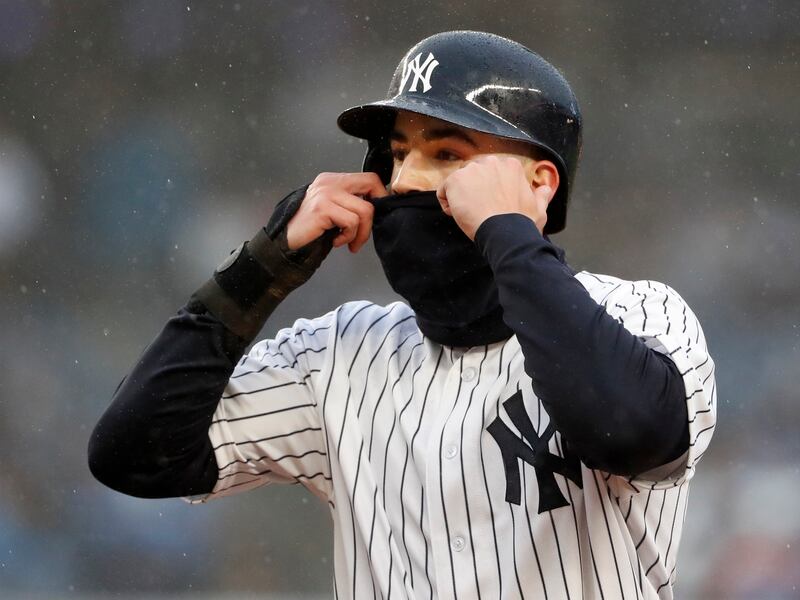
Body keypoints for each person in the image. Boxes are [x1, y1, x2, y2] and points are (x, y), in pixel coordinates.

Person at [88, 31, 716, 599]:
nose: (407, 179)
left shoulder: (642, 314)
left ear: (540, 183)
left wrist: (507, 230)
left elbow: (630, 430)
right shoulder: (341, 350)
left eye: (446, 153)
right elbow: (135, 451)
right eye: (395, 152)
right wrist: (260, 269)